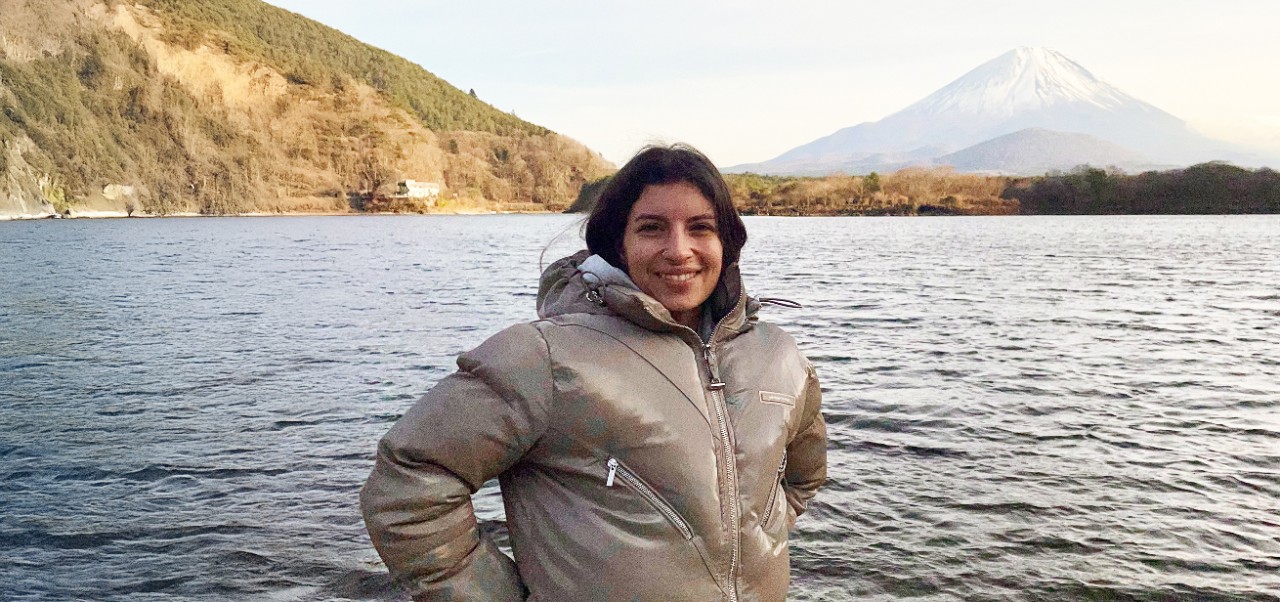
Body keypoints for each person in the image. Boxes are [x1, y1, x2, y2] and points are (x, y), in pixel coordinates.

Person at [360, 144, 827, 601]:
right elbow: (408, 485)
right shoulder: (544, 358)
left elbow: (802, 478)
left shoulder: (778, 356)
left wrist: (752, 540)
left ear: (727, 242)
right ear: (617, 244)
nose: (679, 249)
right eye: (651, 228)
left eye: (700, 228)